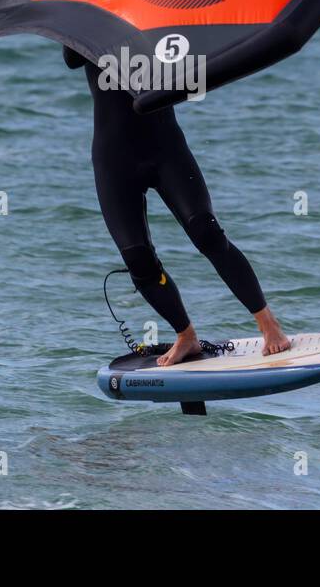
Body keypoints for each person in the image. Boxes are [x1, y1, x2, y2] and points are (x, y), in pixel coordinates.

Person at [66, 46, 290, 365]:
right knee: (138, 259)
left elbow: (192, 55)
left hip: (164, 148)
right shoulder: (91, 14)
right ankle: (186, 335)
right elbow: (71, 57)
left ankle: (268, 323)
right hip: (114, 159)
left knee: (206, 232)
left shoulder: (156, 10)